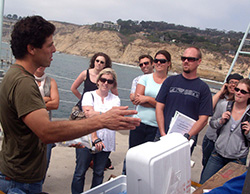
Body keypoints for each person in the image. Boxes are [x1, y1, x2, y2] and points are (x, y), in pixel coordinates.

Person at [0, 15, 140, 194]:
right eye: (50, 45)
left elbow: (31, 131)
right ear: (31, 49)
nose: (54, 49)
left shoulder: (15, 76)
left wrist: (73, 139)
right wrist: (102, 120)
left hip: (18, 175)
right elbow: (47, 132)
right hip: (19, 181)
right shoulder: (24, 83)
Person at [71, 68, 120, 193]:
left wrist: (96, 113)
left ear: (113, 84)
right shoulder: (89, 95)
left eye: (109, 81)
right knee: (80, 172)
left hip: (106, 141)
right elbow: (88, 115)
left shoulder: (115, 99)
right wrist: (106, 114)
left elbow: (114, 117)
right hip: (87, 138)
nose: (105, 83)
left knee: (99, 172)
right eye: (103, 80)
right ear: (98, 81)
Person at [155, 47, 213, 153]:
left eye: (190, 59)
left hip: (185, 141)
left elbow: (203, 119)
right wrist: (162, 133)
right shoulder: (170, 81)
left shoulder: (203, 88)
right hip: (163, 137)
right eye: (183, 58)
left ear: (199, 61)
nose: (186, 61)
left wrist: (187, 136)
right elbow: (159, 107)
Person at [200, 78, 250, 184]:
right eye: (237, 90)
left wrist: (248, 133)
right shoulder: (224, 106)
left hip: (237, 160)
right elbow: (212, 124)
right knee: (204, 184)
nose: (238, 93)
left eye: (243, 91)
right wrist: (220, 121)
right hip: (217, 155)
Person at [34, 66, 60, 181]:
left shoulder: (51, 81)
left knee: (44, 161)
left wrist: (33, 103)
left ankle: (39, 186)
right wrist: (45, 99)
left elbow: (55, 104)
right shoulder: (26, 79)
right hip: (28, 127)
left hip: (45, 127)